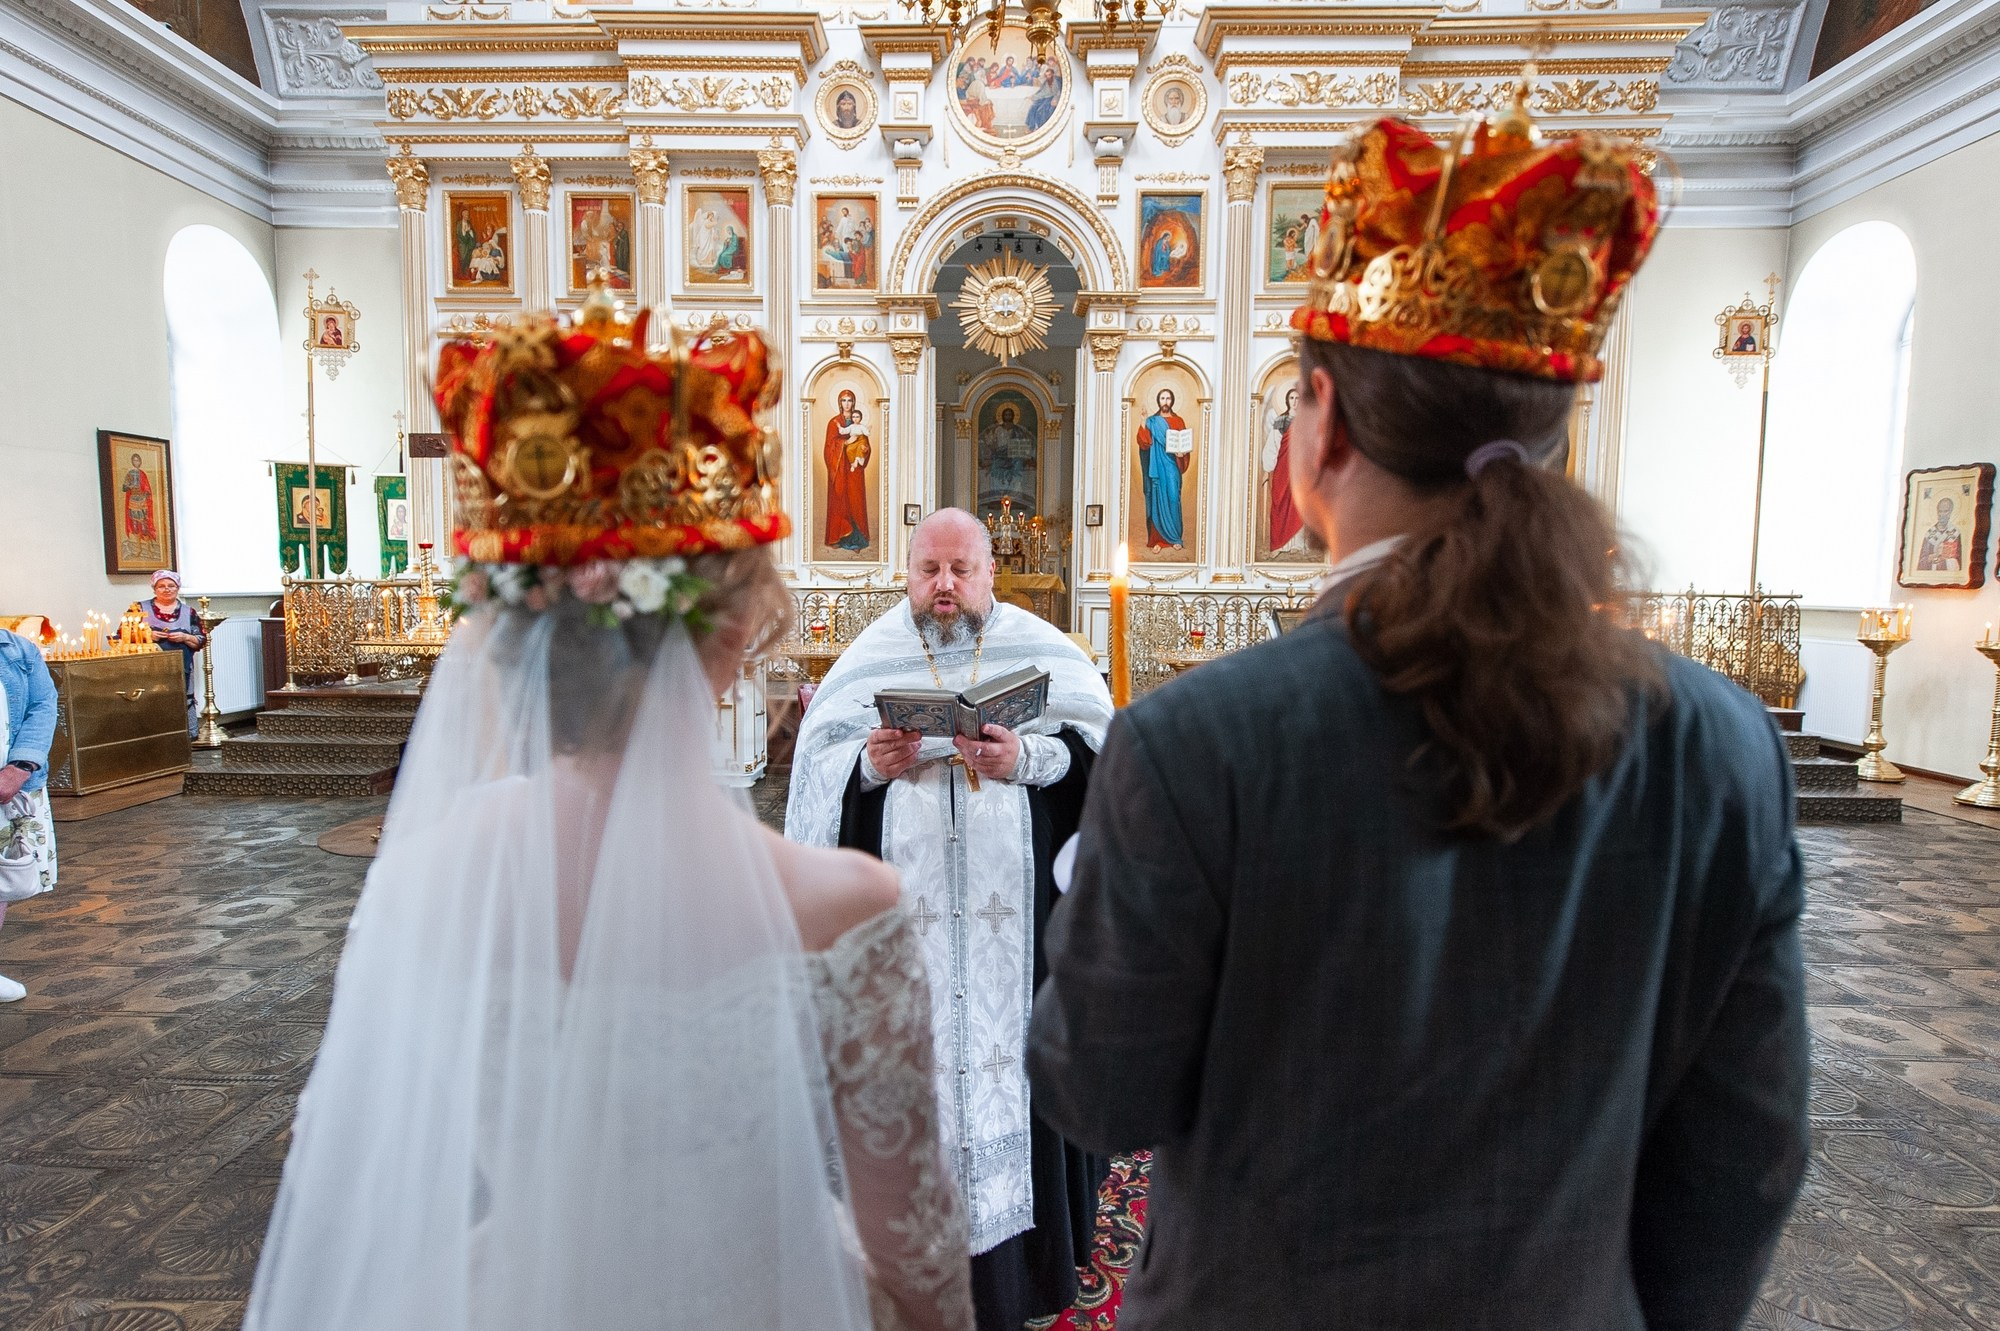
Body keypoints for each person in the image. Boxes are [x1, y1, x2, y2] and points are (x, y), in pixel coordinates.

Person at [1030, 109, 1808, 1330]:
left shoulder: (1196, 742)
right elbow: (1747, 1151)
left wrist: (1094, 901)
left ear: (1322, 422)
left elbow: (1098, 1092)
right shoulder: (1720, 741)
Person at [248, 282, 973, 1331]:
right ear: (737, 630)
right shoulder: (848, 907)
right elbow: (914, 1245)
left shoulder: (424, 877)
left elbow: (340, 1179)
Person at [787, 509, 1114, 1331]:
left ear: (988, 571)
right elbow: (820, 779)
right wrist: (871, 764)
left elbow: (1098, 763)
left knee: (1015, 1071)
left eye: (960, 570)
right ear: (907, 572)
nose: (944, 586)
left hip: (1015, 934)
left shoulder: (1045, 651)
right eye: (929, 569)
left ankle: (1017, 1277)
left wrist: (1024, 757)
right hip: (909, 930)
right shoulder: (868, 659)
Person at [0, 626, 59, 1004]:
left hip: (9, 785)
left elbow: (43, 705)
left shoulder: (16, 651)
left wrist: (20, 767)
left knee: (0, 878)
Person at [139, 570, 207, 737]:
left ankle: (184, 736)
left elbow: (200, 639)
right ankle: (155, 735)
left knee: (181, 697)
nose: (167, 589)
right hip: (149, 668)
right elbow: (123, 636)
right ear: (154, 589)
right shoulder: (139, 608)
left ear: (177, 588)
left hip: (180, 666)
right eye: (161, 586)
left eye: (171, 585)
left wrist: (185, 637)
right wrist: (148, 635)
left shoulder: (188, 612)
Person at [1137, 387, 1190, 549]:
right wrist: (1143, 420)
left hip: (1172, 466)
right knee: (1157, 500)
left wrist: (1182, 453)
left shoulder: (1178, 421)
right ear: (1158, 401)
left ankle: (1175, 538)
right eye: (1162, 398)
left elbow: (1184, 442)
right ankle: (1157, 540)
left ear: (1172, 401)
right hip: (1157, 467)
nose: (1165, 402)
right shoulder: (1152, 421)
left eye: (1168, 398)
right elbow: (1144, 443)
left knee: (1173, 498)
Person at [823, 390, 871, 552]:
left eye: (849, 400)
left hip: (854, 471)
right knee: (840, 501)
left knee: (855, 500)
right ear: (839, 403)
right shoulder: (834, 422)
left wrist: (865, 449)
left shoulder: (858, 422)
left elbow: (864, 442)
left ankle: (858, 540)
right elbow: (829, 447)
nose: (847, 404)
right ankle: (837, 537)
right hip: (839, 469)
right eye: (843, 400)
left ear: (853, 402)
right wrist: (844, 443)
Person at [1261, 384, 1304, 553]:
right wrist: (1267, 469)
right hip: (1283, 468)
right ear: (1287, 400)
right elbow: (1273, 445)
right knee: (1281, 503)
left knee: (1298, 504)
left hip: (1301, 468)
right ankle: (1281, 545)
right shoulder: (1281, 421)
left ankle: (1298, 544)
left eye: (1297, 398)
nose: (1294, 401)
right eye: (1291, 398)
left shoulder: (1306, 421)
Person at [1918, 495, 1963, 571]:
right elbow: (1921, 561)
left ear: (1950, 512)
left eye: (1945, 511)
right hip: (1931, 573)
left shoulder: (1955, 533)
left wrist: (1946, 559)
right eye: (1940, 511)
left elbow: (1958, 560)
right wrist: (1932, 557)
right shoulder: (1930, 534)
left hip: (1948, 574)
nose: (1942, 514)